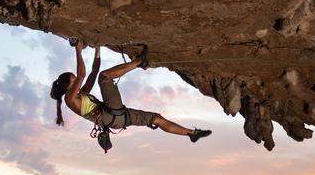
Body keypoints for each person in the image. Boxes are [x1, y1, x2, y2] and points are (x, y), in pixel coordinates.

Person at [49, 40, 211, 143]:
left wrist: (98, 49)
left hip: (117, 118)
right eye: (72, 79)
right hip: (110, 114)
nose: (76, 78)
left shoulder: (81, 94)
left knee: (156, 118)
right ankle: (140, 61)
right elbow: (84, 74)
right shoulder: (70, 99)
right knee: (104, 77)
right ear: (66, 86)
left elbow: (92, 71)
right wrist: (78, 51)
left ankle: (191, 133)